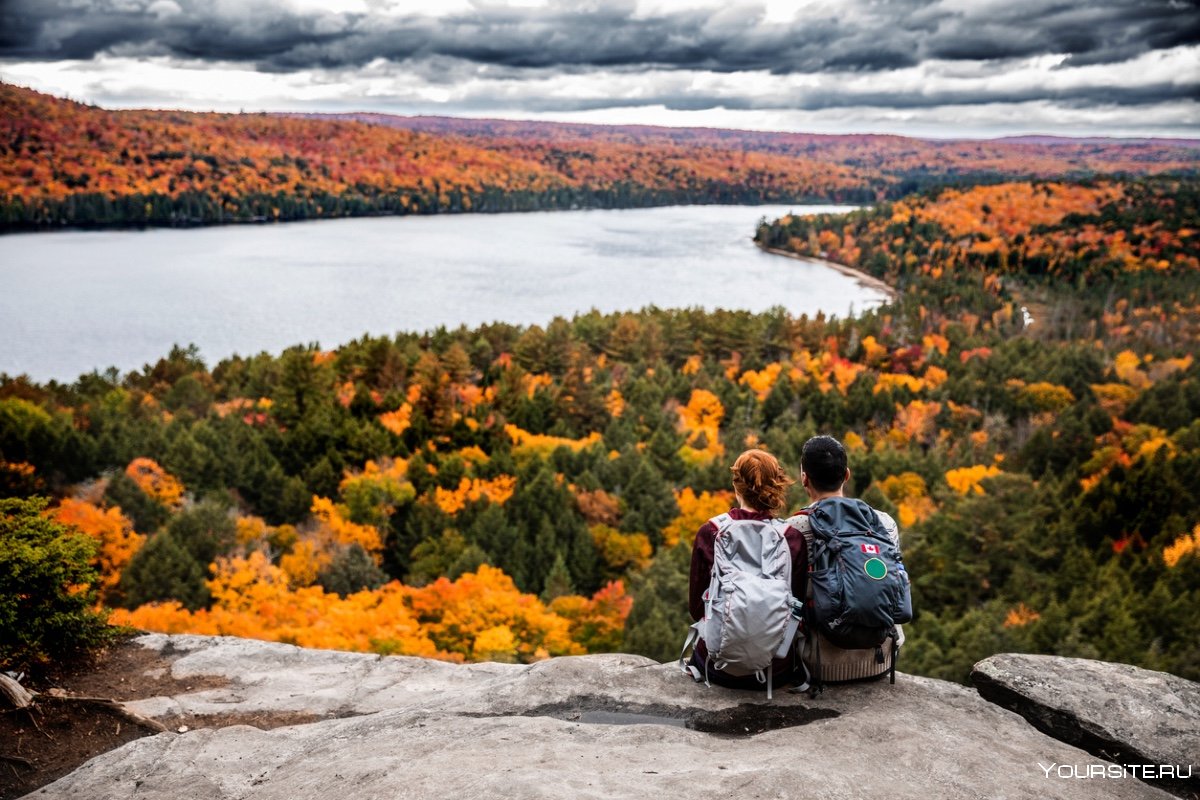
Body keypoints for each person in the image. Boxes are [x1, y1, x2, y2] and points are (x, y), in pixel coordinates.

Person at [787, 434, 905, 683]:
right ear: (847, 474)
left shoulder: (794, 528)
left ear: (804, 478)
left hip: (819, 664)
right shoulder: (884, 523)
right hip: (879, 660)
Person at [686, 448, 806, 689]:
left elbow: (697, 608)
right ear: (776, 486)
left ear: (736, 485)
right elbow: (797, 606)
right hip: (775, 668)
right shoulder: (791, 538)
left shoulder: (711, 531)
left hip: (716, 666)